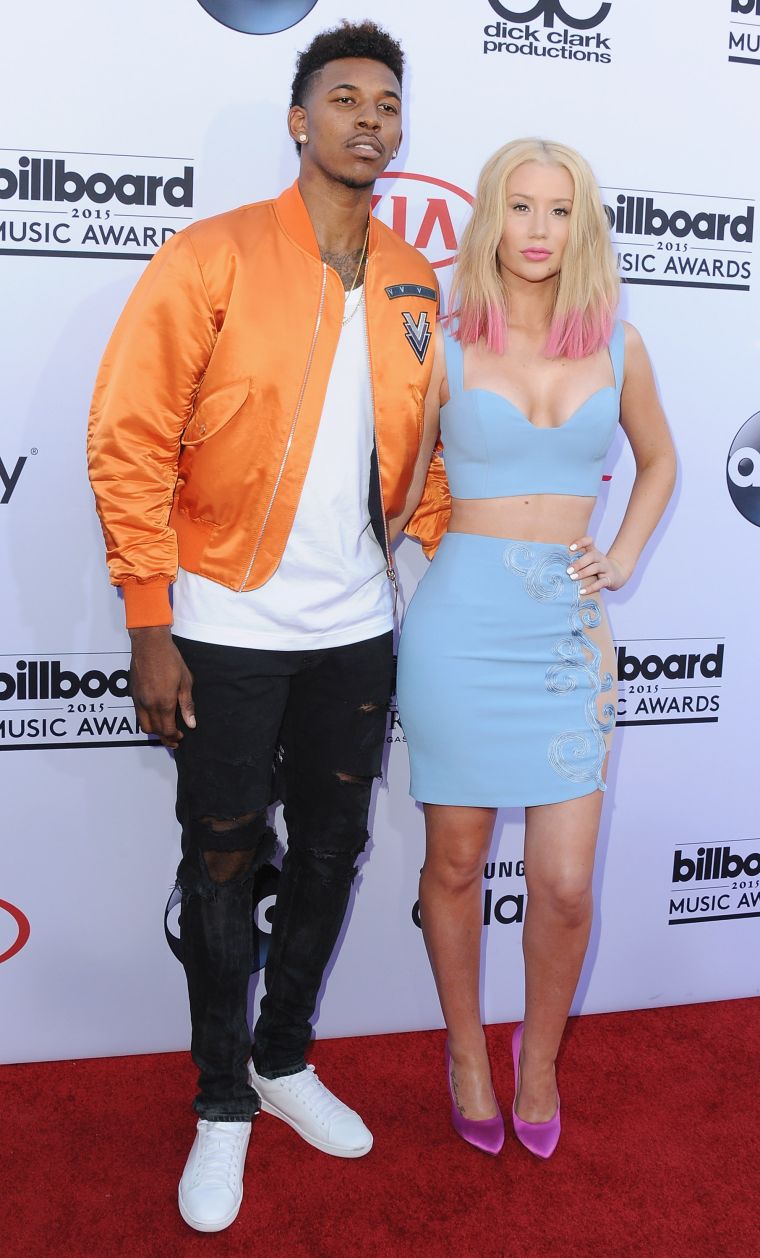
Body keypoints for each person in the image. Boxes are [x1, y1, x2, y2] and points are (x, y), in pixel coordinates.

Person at [87, 21, 439, 1233]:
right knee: (224, 861)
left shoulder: (411, 280)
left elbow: (419, 453)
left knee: (335, 853)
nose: (367, 120)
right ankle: (221, 1105)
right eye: (342, 98)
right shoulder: (212, 256)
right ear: (300, 120)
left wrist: (440, 564)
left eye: (386, 104)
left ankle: (284, 1058)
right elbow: (128, 438)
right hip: (222, 624)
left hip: (354, 628)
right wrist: (149, 617)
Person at [395, 139, 676, 1158]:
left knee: (562, 882)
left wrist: (623, 554)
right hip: (460, 625)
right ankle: (467, 1050)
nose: (539, 231)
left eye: (560, 211)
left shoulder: (619, 344)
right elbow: (389, 471)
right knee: (457, 861)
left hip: (566, 632)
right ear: (489, 215)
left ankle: (540, 1058)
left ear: (583, 224)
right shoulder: (441, 337)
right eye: (520, 207)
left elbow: (659, 460)